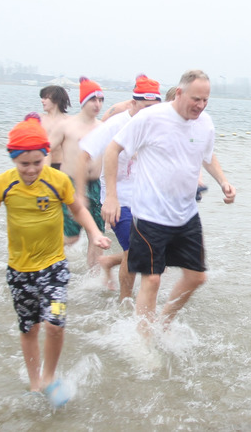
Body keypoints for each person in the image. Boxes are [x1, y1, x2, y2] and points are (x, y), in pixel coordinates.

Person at [0, 113, 110, 406]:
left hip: (54, 268)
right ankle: (34, 382)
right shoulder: (3, 184)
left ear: (47, 155)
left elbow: (78, 209)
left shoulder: (57, 181)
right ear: (13, 160)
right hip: (20, 272)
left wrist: (94, 233)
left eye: (37, 162)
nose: (31, 170)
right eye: (23, 164)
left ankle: (49, 376)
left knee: (55, 323)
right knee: (29, 328)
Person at [102, 69, 236, 338]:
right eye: (196, 99)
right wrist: (112, 197)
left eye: (205, 100)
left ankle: (161, 323)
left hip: (185, 214)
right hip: (149, 214)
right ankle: (144, 341)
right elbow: (113, 149)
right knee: (152, 279)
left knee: (197, 277)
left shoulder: (205, 123)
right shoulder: (151, 118)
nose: (200, 106)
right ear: (179, 93)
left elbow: (207, 156)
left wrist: (223, 181)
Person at [77, 75, 162, 298]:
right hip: (118, 201)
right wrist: (76, 192)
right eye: (145, 108)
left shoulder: (157, 125)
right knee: (133, 250)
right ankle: (125, 302)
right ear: (133, 104)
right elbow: (83, 154)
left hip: (147, 200)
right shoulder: (115, 124)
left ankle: (109, 266)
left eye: (154, 108)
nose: (149, 114)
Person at [48, 76, 105, 268]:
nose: (97, 104)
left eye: (101, 100)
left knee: (96, 233)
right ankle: (43, 254)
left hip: (95, 185)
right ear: (83, 102)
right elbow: (46, 151)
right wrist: (45, 179)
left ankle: (93, 279)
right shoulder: (67, 126)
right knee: (71, 236)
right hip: (69, 183)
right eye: (93, 100)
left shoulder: (103, 128)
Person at [39, 85, 71, 170]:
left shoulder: (69, 121)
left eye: (45, 98)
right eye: (42, 98)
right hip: (41, 165)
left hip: (61, 167)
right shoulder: (39, 119)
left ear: (56, 99)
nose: (42, 101)